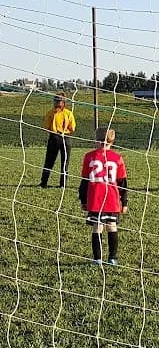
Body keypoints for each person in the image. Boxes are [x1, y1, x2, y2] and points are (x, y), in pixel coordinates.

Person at [78, 129, 128, 266]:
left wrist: (83, 200)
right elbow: (122, 182)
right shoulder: (117, 158)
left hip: (95, 199)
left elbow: (84, 181)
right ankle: (112, 258)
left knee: (97, 227)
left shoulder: (89, 156)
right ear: (112, 141)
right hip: (112, 199)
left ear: (96, 141)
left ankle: (97, 259)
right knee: (112, 226)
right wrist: (124, 202)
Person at [40, 92, 77, 188]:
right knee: (49, 161)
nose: (56, 103)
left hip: (65, 138)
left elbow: (72, 128)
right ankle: (44, 182)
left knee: (64, 162)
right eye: (55, 101)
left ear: (63, 102)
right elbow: (46, 127)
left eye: (58, 101)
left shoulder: (68, 113)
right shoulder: (51, 113)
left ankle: (62, 184)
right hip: (55, 137)